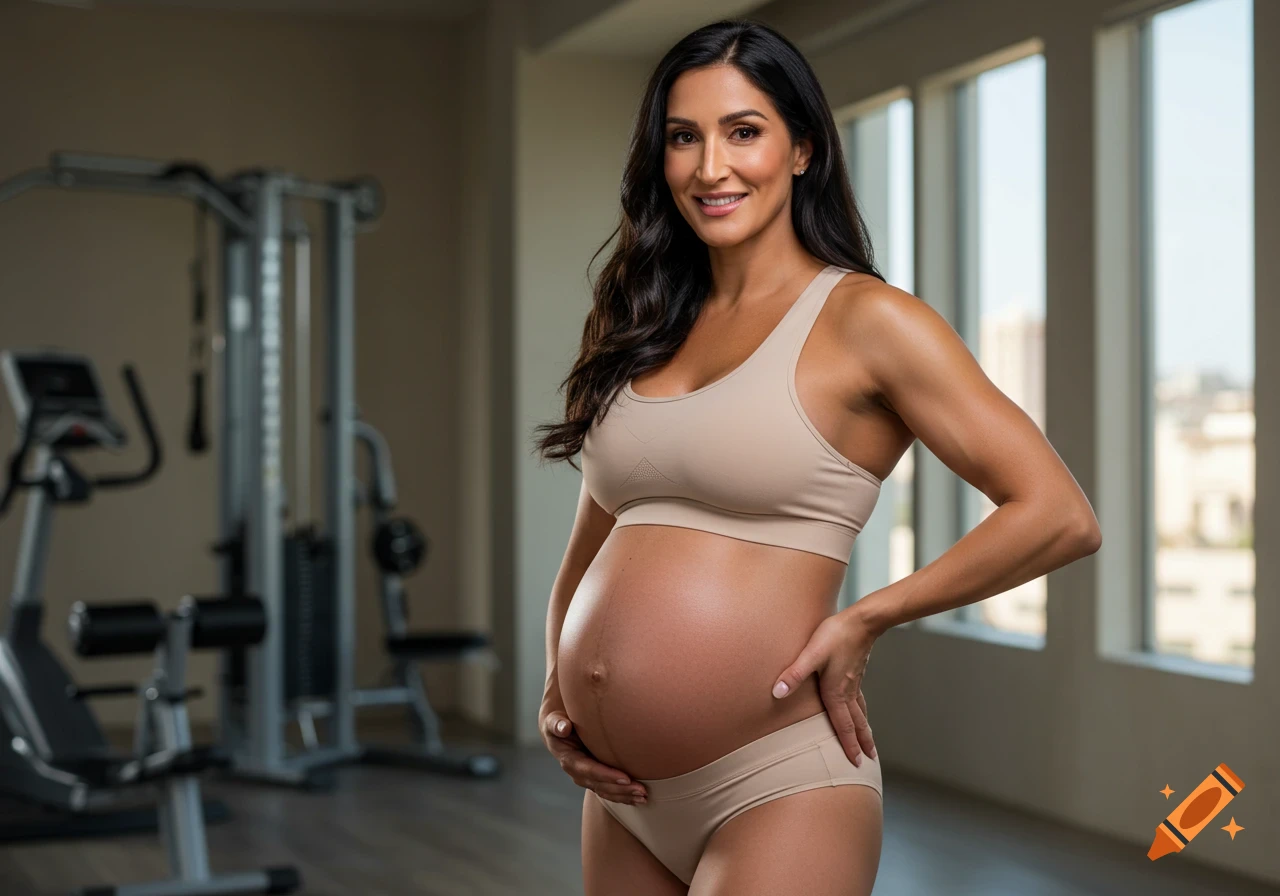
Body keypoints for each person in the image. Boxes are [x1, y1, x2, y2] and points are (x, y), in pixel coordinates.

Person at [531, 17, 1100, 896]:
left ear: (802, 149)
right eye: (684, 137)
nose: (710, 167)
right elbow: (596, 531)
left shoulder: (869, 322)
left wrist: (867, 617)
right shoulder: (642, 322)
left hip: (777, 784)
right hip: (621, 796)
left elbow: (1058, 513)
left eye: (743, 132)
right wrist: (557, 687)